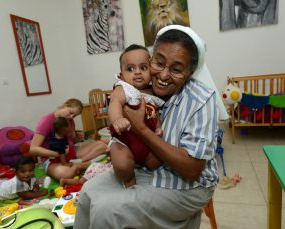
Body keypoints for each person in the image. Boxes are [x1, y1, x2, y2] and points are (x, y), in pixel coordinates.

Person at [74, 25, 219, 229]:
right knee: (88, 191)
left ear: (189, 73)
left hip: (190, 185)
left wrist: (139, 128)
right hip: (148, 168)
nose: (164, 75)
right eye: (159, 63)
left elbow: (192, 170)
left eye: (176, 69)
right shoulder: (140, 89)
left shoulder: (201, 100)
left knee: (108, 211)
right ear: (150, 59)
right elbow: (117, 108)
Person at [108, 44, 164, 188]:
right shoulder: (124, 88)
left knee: (157, 162)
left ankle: (145, 167)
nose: (137, 72)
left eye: (143, 67)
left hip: (147, 142)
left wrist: (158, 126)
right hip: (124, 140)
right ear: (121, 75)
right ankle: (128, 181)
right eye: (130, 69)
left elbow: (155, 111)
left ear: (151, 71)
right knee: (122, 166)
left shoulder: (153, 92)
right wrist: (117, 119)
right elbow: (114, 103)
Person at [30, 98, 100, 181]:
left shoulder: (70, 121)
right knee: (65, 174)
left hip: (70, 154)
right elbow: (33, 148)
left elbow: (71, 141)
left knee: (102, 145)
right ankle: (81, 165)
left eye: (74, 116)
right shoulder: (46, 120)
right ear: (65, 105)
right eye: (71, 113)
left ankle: (79, 162)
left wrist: (77, 137)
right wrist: (57, 153)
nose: (71, 117)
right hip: (52, 159)